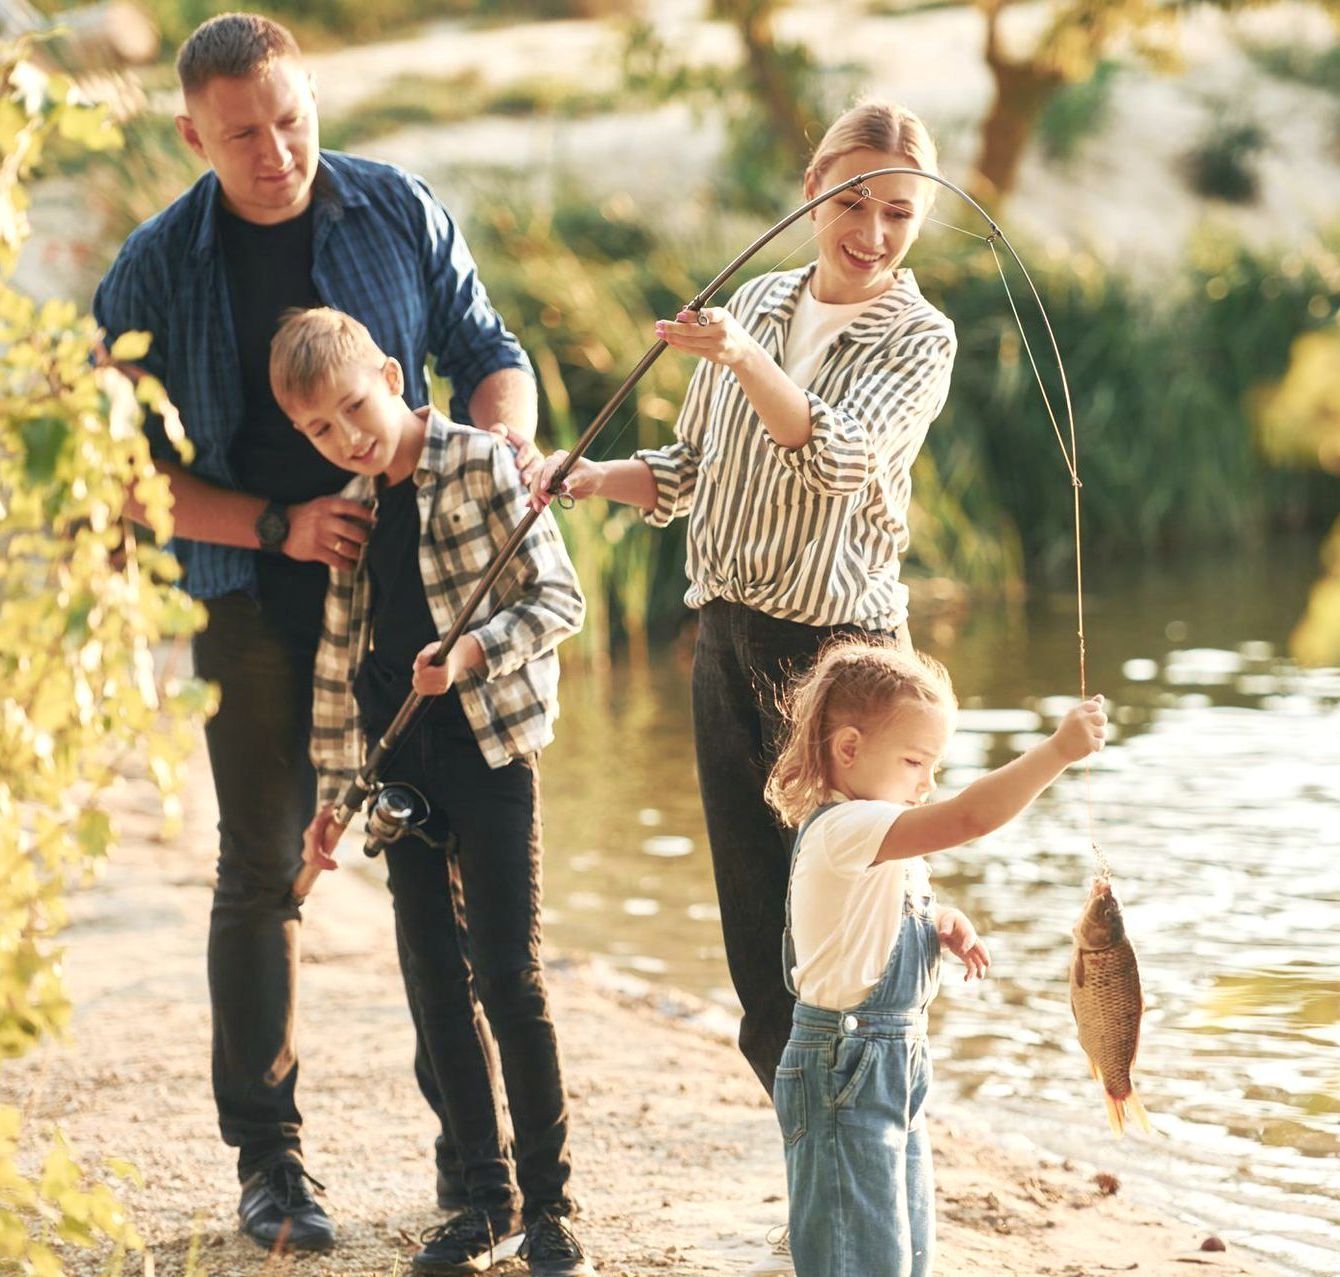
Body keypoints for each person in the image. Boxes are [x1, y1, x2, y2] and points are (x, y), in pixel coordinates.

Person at [92, 13, 538, 1249]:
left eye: (292, 119)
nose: (278, 149)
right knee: (262, 871)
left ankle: (472, 1168)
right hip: (250, 600)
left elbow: (490, 353)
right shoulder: (151, 267)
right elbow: (116, 470)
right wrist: (274, 522)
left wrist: (503, 447)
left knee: (429, 868)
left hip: (410, 600)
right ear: (194, 135)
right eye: (244, 135)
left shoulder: (396, 207)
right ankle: (272, 1166)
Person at [530, 100, 956, 1094]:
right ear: (812, 188)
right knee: (757, 918)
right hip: (729, 640)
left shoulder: (917, 336)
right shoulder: (757, 301)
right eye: (853, 201)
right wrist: (592, 477)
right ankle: (804, 1149)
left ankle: (876, 1133)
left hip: (848, 665)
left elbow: (841, 458)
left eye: (899, 212)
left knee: (854, 918)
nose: (873, 232)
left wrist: (740, 357)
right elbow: (685, 472)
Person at [276, 308, 593, 1277]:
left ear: (389, 371)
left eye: (354, 408)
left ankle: (550, 1209)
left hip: (489, 751)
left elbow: (557, 600)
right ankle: (484, 1204)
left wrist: (468, 654)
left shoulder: (483, 461)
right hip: (396, 770)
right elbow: (342, 662)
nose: (347, 436)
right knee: (432, 988)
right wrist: (332, 796)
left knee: (506, 975)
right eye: (321, 429)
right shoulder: (353, 504)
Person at [763, 636, 1106, 1276]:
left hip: (895, 1064)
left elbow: (873, 918)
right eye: (916, 762)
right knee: (856, 1254)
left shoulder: (880, 833)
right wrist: (1058, 751)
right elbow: (971, 817)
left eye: (935, 769)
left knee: (904, 1246)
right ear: (848, 749)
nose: (927, 785)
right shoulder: (847, 827)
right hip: (844, 1068)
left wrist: (940, 920)